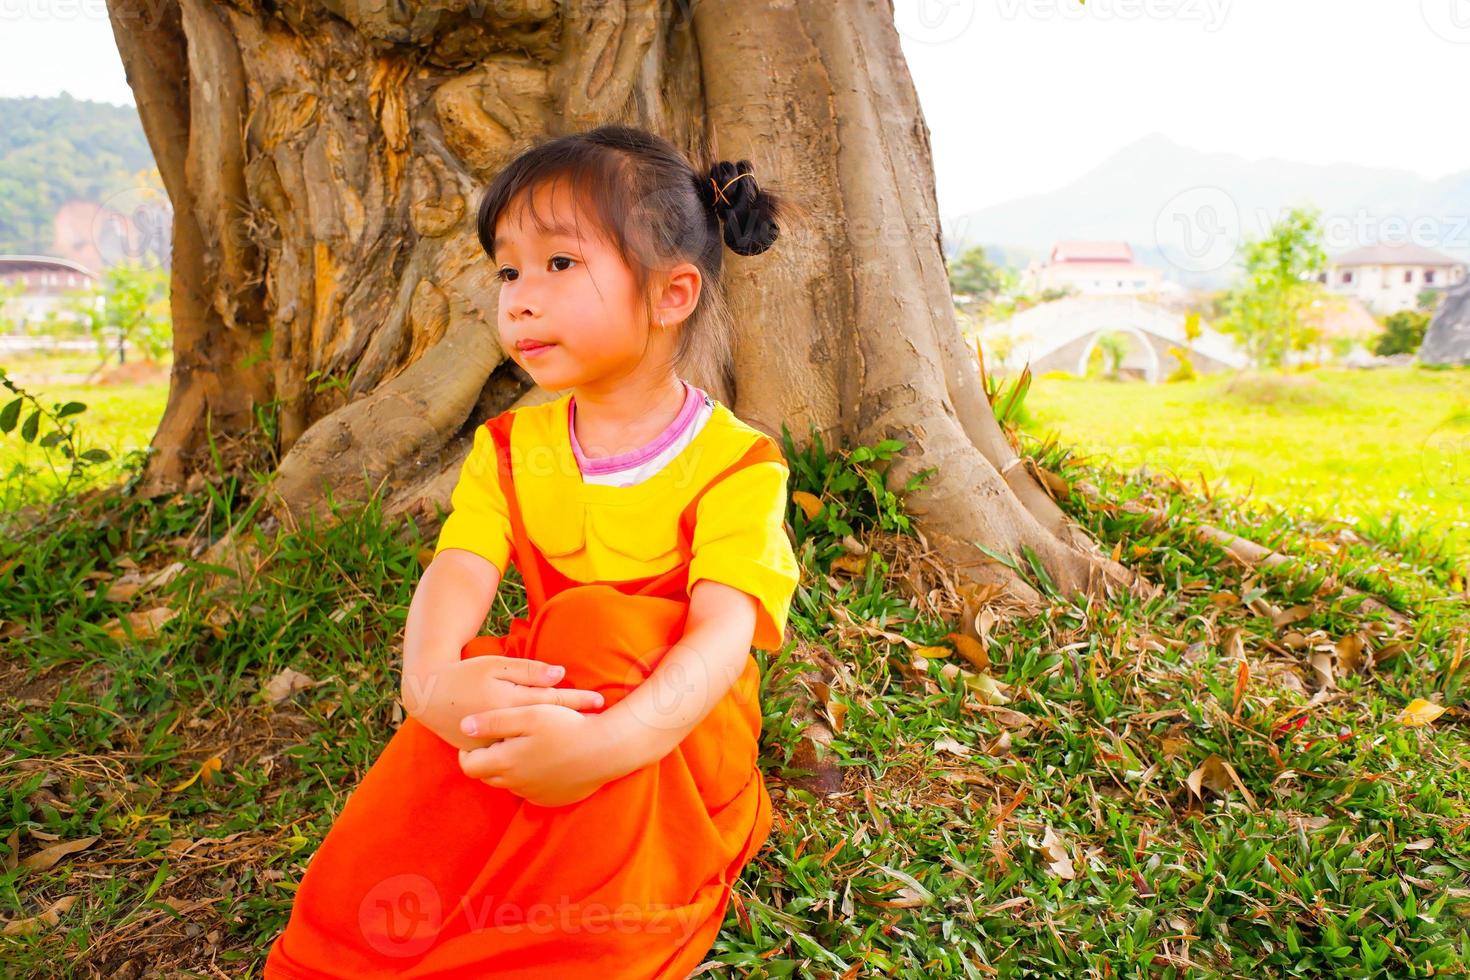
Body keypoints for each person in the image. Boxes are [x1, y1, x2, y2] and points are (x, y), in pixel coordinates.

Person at [264, 124, 801, 979]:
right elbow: (461, 567)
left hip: (666, 741)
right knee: (476, 697)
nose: (518, 299)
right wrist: (431, 686)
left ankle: (574, 931)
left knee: (591, 621)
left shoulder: (738, 462)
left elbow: (719, 641)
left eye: (558, 265)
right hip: (563, 700)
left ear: (672, 294)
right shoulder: (512, 446)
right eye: (507, 270)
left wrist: (607, 745)